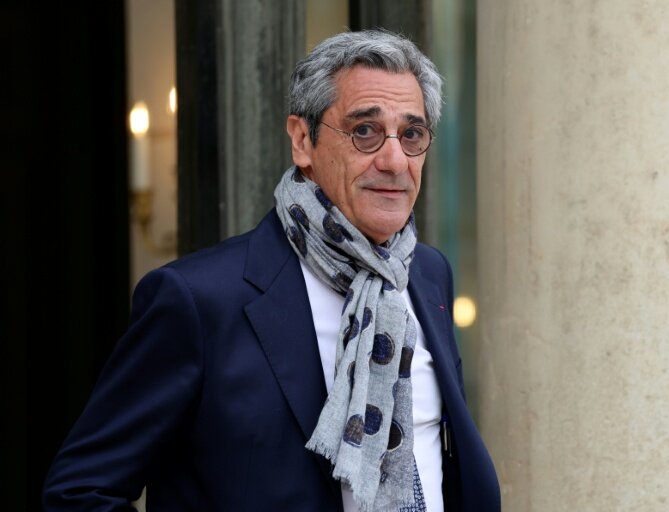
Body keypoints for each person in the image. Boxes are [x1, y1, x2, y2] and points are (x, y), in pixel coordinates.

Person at [43, 29, 500, 511]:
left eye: (411, 135)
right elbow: (79, 494)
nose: (393, 160)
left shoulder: (428, 274)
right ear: (302, 140)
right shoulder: (197, 301)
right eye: (365, 131)